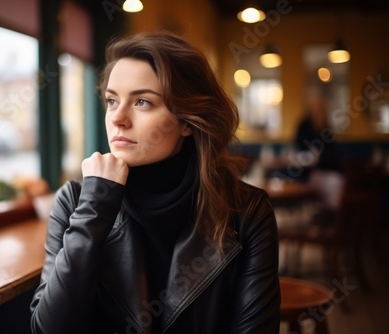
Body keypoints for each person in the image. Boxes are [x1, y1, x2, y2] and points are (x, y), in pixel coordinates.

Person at [30, 32, 280, 334]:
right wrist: (95, 208)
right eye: (112, 100)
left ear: (187, 121)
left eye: (143, 102)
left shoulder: (247, 211)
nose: (118, 118)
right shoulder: (75, 201)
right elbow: (47, 330)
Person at [294, 90, 341, 181]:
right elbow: (300, 149)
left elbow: (332, 152)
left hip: (326, 170)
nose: (318, 109)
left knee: (336, 180)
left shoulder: (327, 128)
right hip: (307, 172)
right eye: (316, 106)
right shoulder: (304, 126)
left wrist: (321, 158)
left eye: (320, 107)